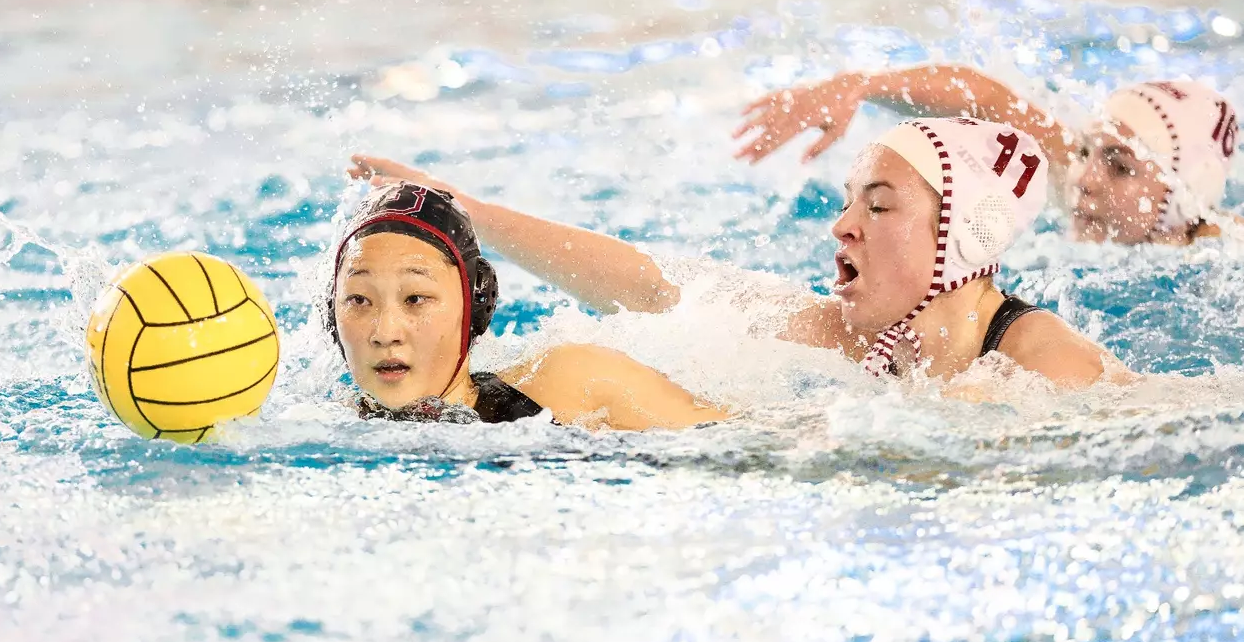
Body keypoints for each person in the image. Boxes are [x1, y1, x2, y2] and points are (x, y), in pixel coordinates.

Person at [349, 117, 1134, 390]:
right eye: (848, 200)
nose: (842, 227)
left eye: (878, 205)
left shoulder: (1044, 365)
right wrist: (472, 213)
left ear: (960, 236)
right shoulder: (854, 338)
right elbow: (657, 287)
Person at [327, 181, 731, 430]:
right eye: (358, 300)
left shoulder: (570, 388)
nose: (384, 332)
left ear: (476, 306)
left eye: (416, 298)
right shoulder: (324, 425)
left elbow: (759, 446)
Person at [733, 65, 1239, 246]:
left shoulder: (1225, 255)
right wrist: (861, 86)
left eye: (1120, 166)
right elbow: (984, 97)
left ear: (1188, 191)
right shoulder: (1077, 177)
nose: (1084, 178)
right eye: (1088, 149)